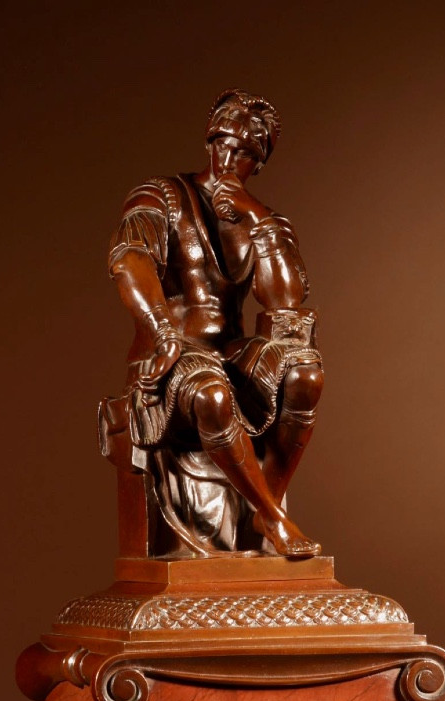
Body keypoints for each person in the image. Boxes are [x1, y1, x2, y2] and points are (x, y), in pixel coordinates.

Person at [106, 90, 324, 559]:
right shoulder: (160, 196)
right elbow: (130, 262)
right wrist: (162, 330)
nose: (229, 159)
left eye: (245, 152)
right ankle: (271, 514)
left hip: (231, 351)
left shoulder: (258, 217)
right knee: (210, 393)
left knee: (305, 372)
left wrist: (259, 218)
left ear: (258, 161)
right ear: (210, 141)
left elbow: (285, 299)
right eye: (224, 144)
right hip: (171, 349)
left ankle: (266, 508)